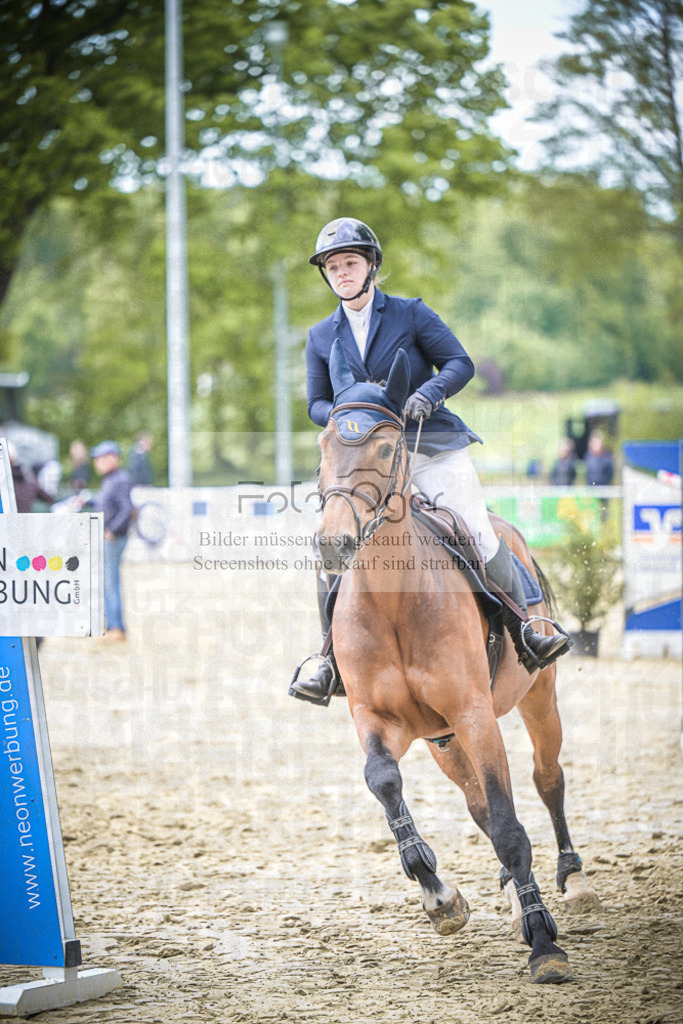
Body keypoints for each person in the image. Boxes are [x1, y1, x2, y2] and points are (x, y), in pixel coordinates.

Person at [291, 217, 571, 704]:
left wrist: (428, 394)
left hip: (429, 446)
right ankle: (328, 660)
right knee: (332, 547)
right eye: (333, 266)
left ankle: (528, 628)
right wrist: (350, 411)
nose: (342, 272)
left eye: (350, 263)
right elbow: (315, 403)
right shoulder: (320, 336)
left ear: (371, 265)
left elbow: (459, 362)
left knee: (476, 529)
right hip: (367, 461)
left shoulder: (410, 314)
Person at [90, 440, 135, 643]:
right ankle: (113, 626)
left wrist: (111, 530)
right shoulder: (111, 479)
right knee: (108, 581)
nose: (96, 463)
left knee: (111, 582)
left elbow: (127, 509)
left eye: (100, 458)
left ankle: (116, 627)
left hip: (114, 539)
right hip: (110, 537)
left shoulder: (120, 479)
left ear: (112, 458)